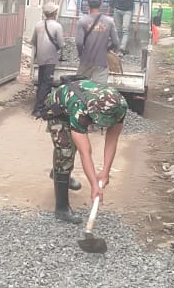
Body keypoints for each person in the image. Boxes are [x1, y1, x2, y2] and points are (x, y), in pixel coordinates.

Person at [38, 78, 127, 223]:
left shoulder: (120, 106)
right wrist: (94, 185)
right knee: (65, 151)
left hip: (78, 102)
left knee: (69, 149)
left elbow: (112, 140)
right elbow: (85, 152)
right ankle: (61, 209)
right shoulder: (80, 109)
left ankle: (59, 173)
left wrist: (105, 171)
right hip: (58, 107)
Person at [75, 0, 120, 84]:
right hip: (101, 62)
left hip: (85, 61)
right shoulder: (109, 21)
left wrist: (81, 54)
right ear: (101, 3)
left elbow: (79, 43)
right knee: (99, 90)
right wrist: (107, 49)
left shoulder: (82, 21)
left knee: (80, 88)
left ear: (88, 4)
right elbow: (116, 42)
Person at [30, 2, 65, 118]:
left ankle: (40, 106)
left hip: (40, 59)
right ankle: (38, 109)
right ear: (54, 13)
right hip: (50, 59)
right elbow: (61, 44)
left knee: (41, 83)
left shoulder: (38, 25)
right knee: (46, 84)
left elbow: (33, 41)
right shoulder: (57, 26)